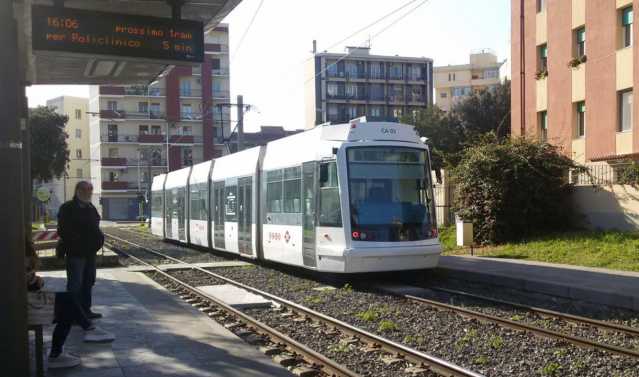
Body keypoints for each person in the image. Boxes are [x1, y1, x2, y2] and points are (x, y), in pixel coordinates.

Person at [25, 240, 114, 370]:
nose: (33, 243)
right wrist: (34, 280)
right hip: (26, 307)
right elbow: (25, 283)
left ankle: (58, 352)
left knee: (68, 305)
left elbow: (29, 285)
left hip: (26, 303)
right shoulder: (19, 258)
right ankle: (86, 330)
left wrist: (36, 281)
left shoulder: (17, 256)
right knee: (68, 302)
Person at [57, 181, 104, 319]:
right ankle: (74, 314)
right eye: (85, 190)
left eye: (90, 190)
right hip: (76, 253)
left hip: (90, 253)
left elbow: (96, 225)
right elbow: (63, 230)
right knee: (75, 285)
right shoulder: (67, 207)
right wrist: (77, 242)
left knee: (88, 282)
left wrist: (98, 241)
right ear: (77, 191)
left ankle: (85, 311)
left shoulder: (90, 207)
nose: (88, 192)